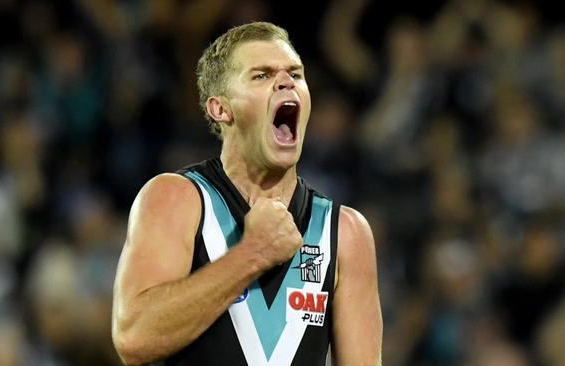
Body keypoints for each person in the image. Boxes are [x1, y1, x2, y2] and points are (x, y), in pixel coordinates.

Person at [111, 21, 382, 366]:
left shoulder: (345, 233)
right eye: (262, 75)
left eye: (295, 74)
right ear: (221, 109)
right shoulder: (176, 199)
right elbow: (134, 337)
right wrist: (252, 253)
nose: (286, 82)